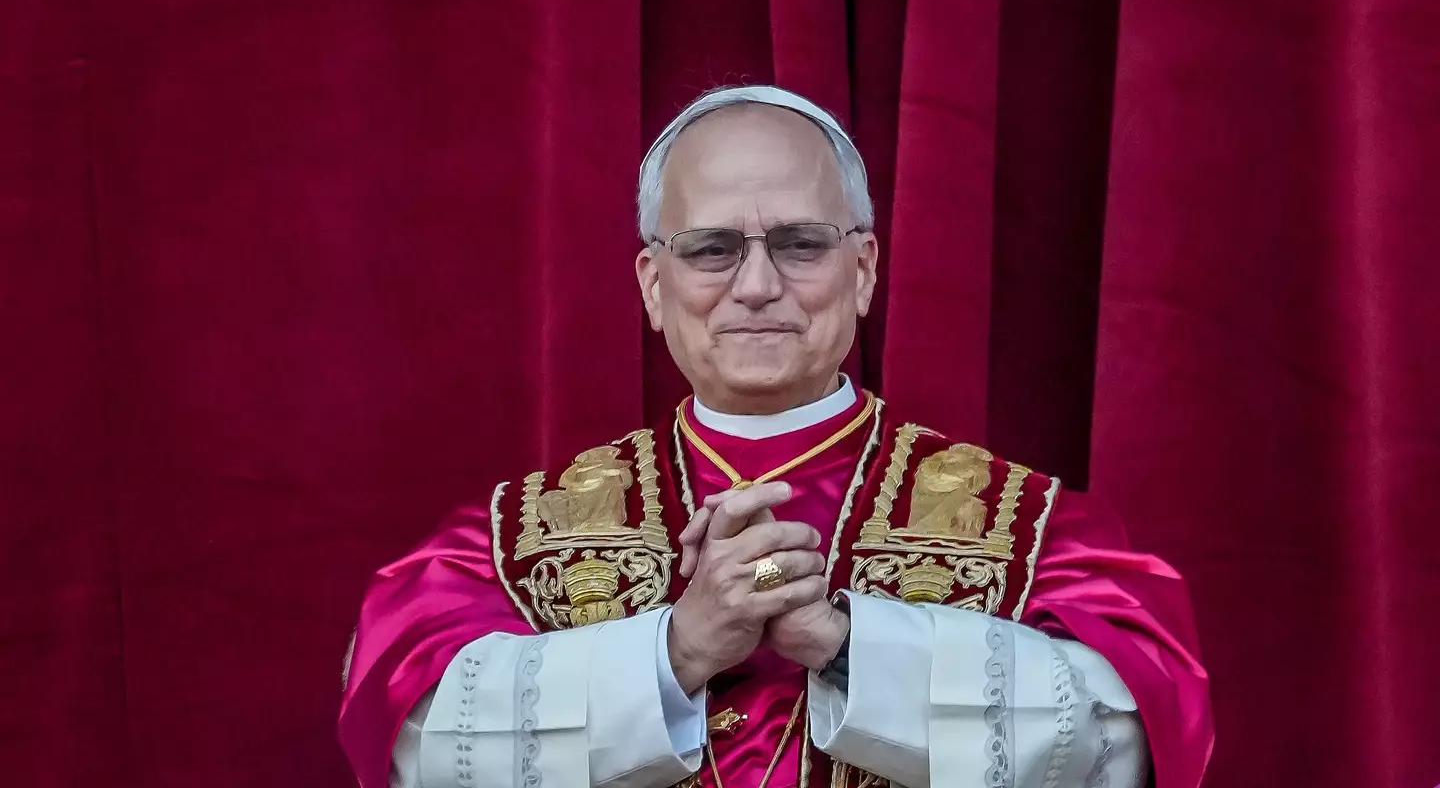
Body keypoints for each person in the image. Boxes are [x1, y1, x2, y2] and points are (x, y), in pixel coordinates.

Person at [338, 85, 1214, 788]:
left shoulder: (1028, 528)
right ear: (653, 284)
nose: (757, 285)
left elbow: (1130, 741)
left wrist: (845, 642)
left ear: (863, 269)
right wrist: (679, 648)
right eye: (712, 249)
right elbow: (417, 740)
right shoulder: (509, 541)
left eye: (800, 243)